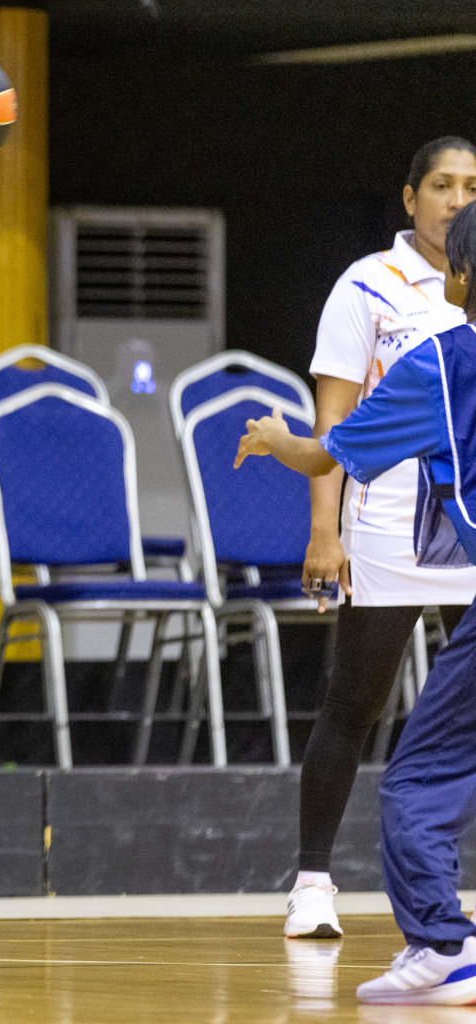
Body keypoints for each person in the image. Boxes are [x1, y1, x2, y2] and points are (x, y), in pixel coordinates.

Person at [238, 198, 476, 1005]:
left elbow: (321, 450)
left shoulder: (441, 362)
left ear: (458, 275)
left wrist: (274, 438)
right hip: (396, 550)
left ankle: (442, 946)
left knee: (413, 778)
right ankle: (319, 883)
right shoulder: (366, 291)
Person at [286, 136, 476, 940]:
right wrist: (323, 531)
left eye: (471, 185)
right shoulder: (368, 285)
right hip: (390, 531)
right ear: (408, 198)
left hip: (466, 536)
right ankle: (313, 880)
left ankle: (442, 894)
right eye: (441, 184)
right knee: (354, 705)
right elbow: (332, 427)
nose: (456, 198)